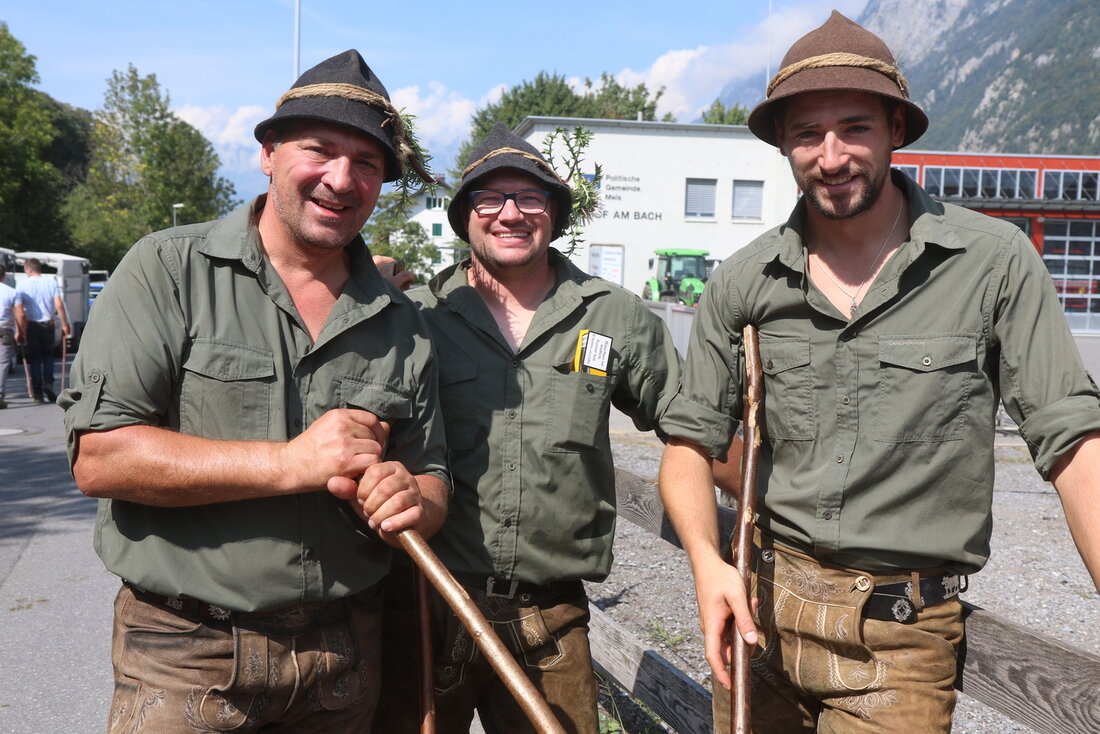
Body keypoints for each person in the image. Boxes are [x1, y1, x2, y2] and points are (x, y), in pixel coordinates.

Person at [657, 11, 1100, 734]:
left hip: (899, 642)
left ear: (896, 129)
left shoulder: (992, 264)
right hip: (762, 615)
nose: (831, 157)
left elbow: (1075, 443)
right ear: (783, 143)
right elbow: (687, 445)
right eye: (808, 133)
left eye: (854, 128)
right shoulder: (742, 282)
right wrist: (708, 563)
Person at [59, 50, 449, 734]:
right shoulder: (167, 270)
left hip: (344, 661)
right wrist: (290, 463)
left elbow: (434, 479)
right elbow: (101, 458)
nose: (342, 178)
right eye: (319, 149)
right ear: (268, 153)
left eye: (366, 163)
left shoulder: (404, 323)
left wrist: (411, 498)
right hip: (186, 656)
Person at [373, 122, 683, 734]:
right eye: (489, 198)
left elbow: (693, 426)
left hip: (551, 621)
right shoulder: (416, 319)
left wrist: (763, 525)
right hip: (428, 609)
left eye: (530, 198)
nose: (510, 213)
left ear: (556, 214)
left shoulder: (612, 315)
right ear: (465, 216)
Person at [16, 257, 70, 403]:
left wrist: (20, 330)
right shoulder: (51, 282)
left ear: (29, 269)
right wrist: (64, 324)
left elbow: (19, 310)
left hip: (32, 325)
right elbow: (59, 305)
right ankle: (49, 383)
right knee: (48, 357)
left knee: (35, 359)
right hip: (48, 325)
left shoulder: (21, 285)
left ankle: (38, 394)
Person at [0, 264, 27, 408]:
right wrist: (20, 333)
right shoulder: (12, 292)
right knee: (3, 363)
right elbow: (20, 314)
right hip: (5, 329)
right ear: (4, 276)